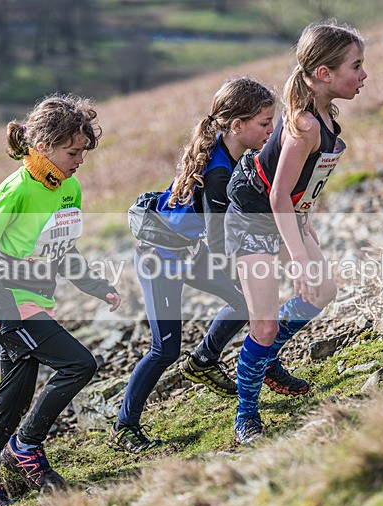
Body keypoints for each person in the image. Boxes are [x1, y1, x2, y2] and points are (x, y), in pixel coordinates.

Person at [0, 94, 121, 506]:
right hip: (10, 307)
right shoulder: (16, 190)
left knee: (12, 400)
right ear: (44, 147)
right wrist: (4, 314)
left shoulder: (69, 187)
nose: (79, 161)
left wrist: (96, 286)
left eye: (83, 152)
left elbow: (63, 249)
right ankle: (26, 446)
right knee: (80, 364)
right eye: (72, 152)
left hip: (36, 304)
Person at [109, 77, 275, 454]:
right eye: (265, 123)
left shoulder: (226, 151)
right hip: (161, 258)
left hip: (186, 251)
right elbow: (220, 241)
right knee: (164, 350)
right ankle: (124, 427)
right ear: (237, 126)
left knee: (246, 304)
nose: (270, 130)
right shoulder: (218, 172)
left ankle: (202, 361)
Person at [224, 22, 366, 445]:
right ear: (324, 74)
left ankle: (265, 361)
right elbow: (278, 195)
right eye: (355, 66)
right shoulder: (303, 125)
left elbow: (301, 186)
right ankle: (245, 415)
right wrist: (299, 256)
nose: (363, 76)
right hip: (251, 217)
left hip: (283, 211)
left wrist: (305, 227)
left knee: (322, 292)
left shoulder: (325, 114)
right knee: (263, 327)